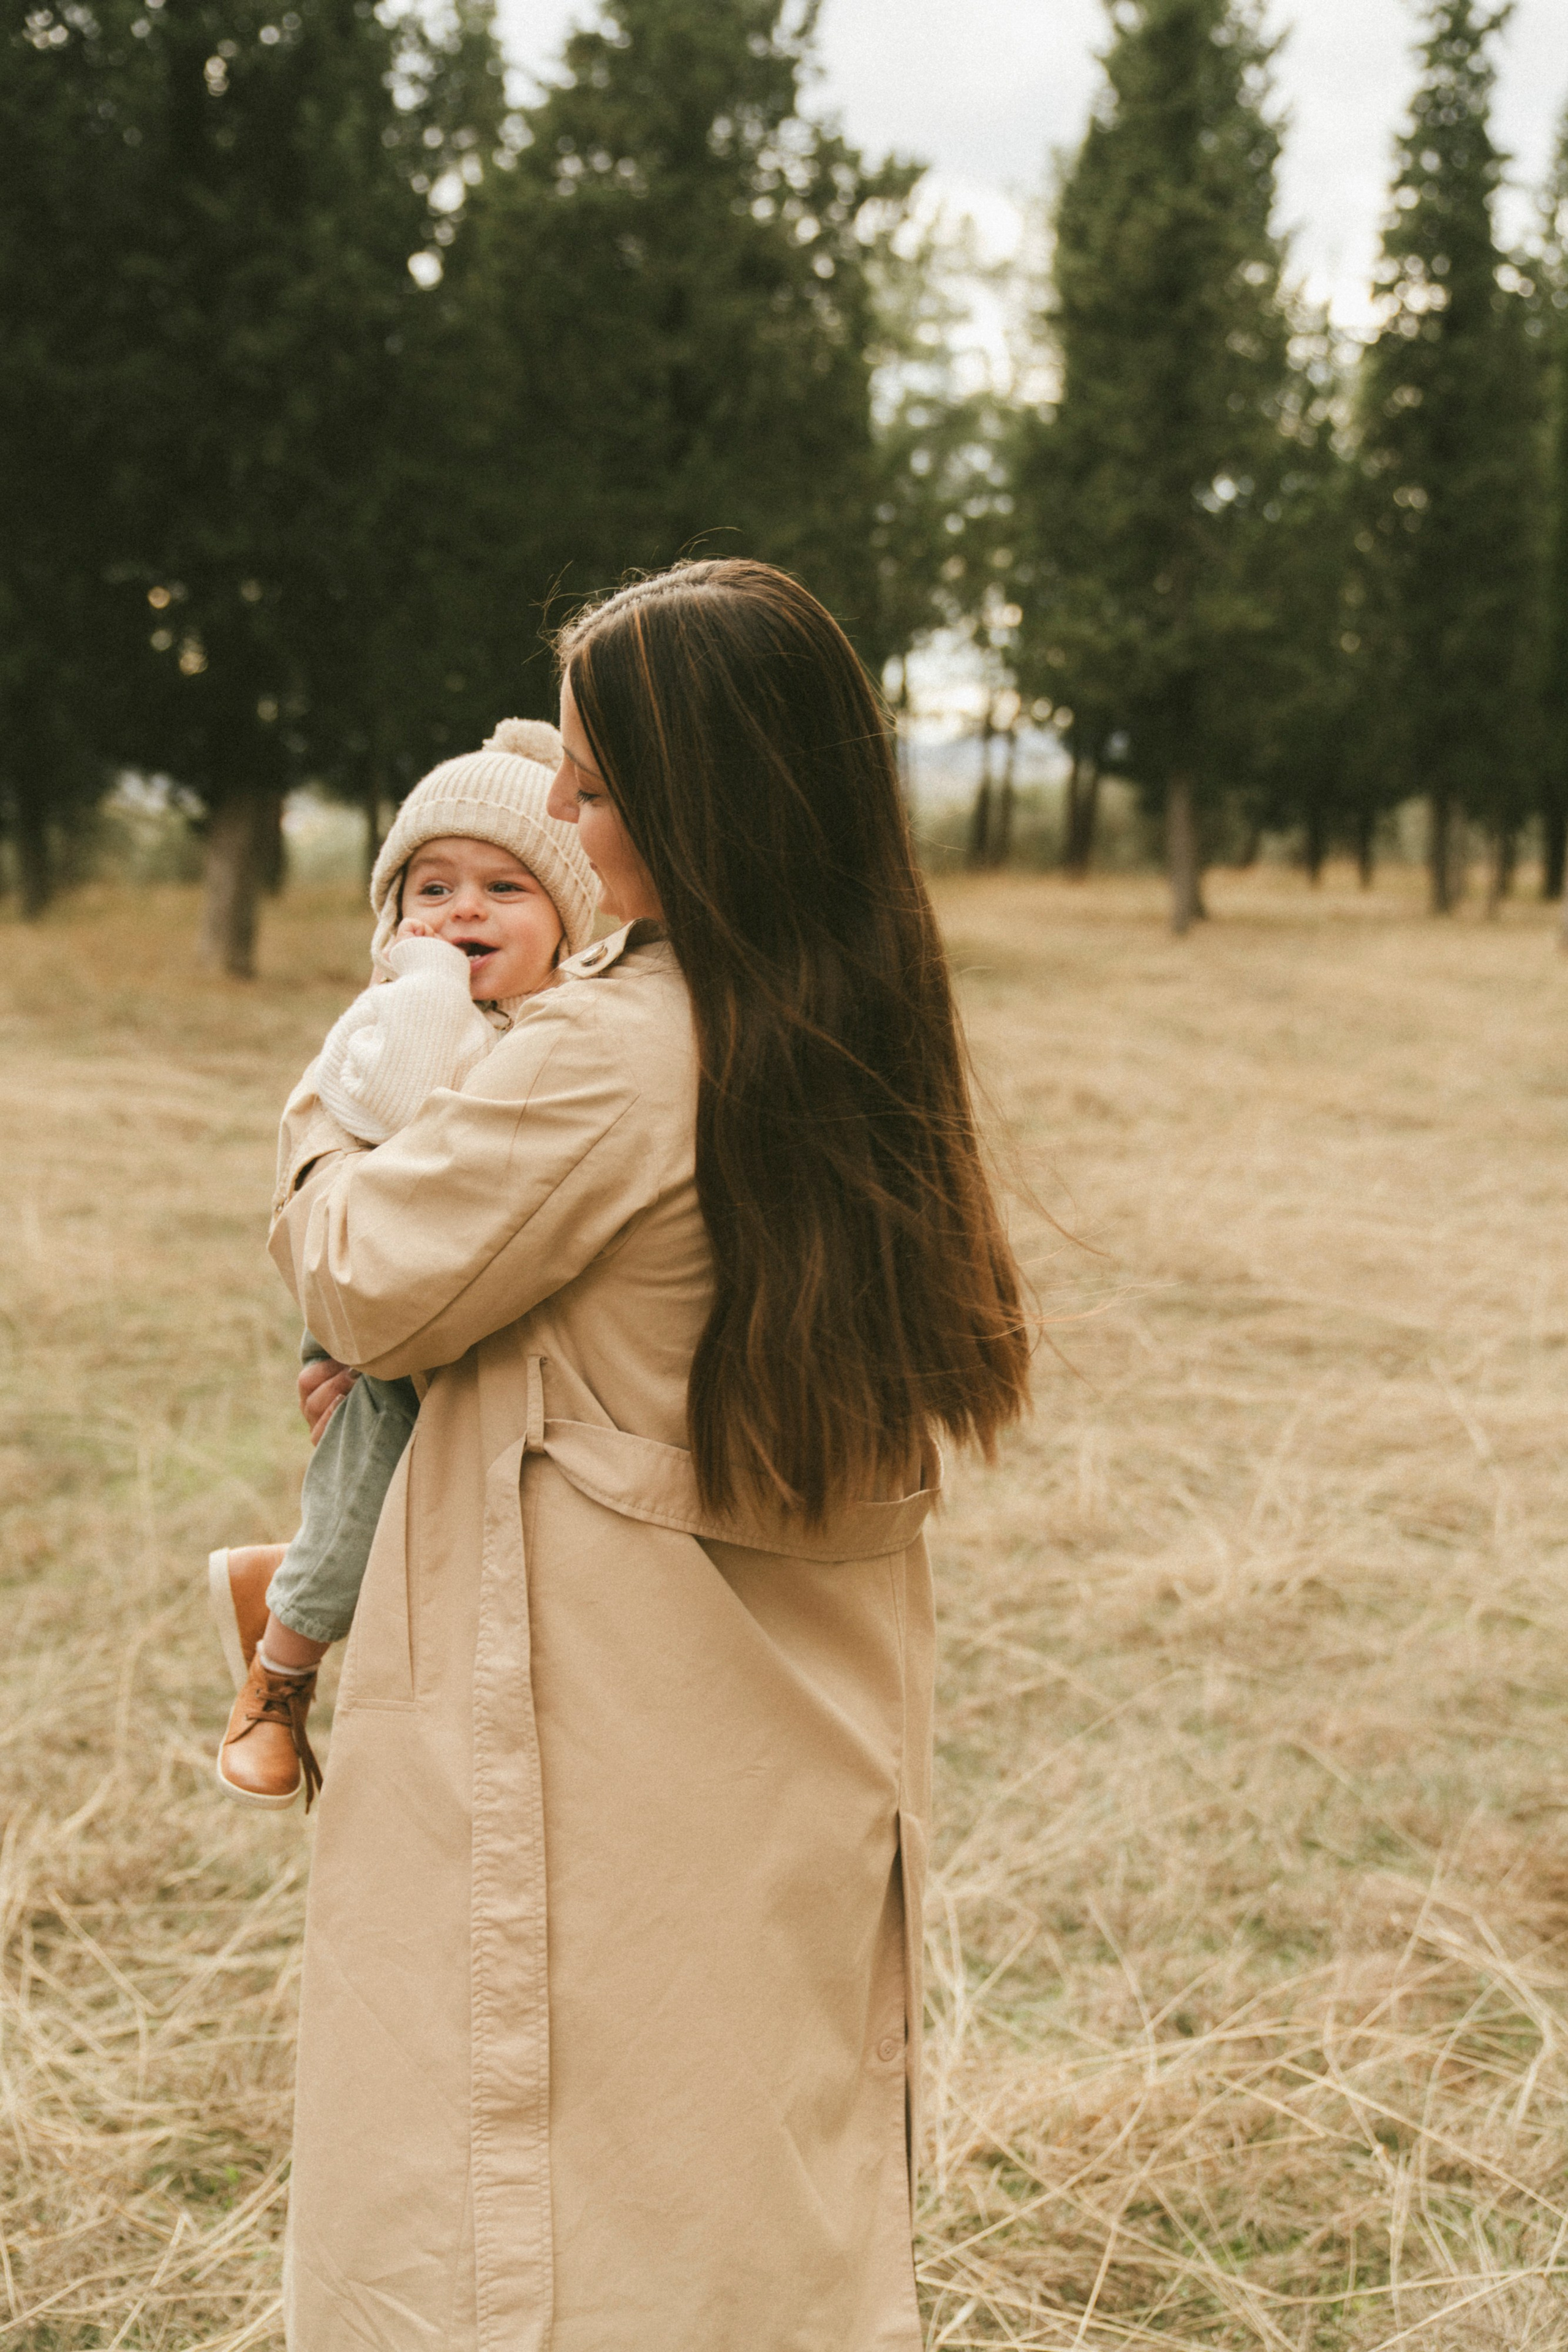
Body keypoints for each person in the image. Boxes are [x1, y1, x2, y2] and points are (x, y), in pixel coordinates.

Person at [266, 559, 1031, 2350]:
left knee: (528, 2204)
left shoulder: (609, 1052)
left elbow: (362, 1274)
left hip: (589, 1728)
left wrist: (344, 1089)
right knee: (738, 2181)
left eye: (596, 784)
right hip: (782, 1731)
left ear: (705, 802)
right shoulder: (851, 1019)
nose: (562, 814)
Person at [208, 720, 594, 1809]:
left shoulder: (583, 1030)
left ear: (569, 922)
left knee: (435, 1498)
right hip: (386, 1287)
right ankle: (282, 1670)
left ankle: (279, 1575)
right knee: (379, 1439)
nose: (463, 911)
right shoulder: (400, 1020)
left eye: (504, 888)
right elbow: (390, 1118)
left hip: (481, 1294)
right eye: (432, 889)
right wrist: (424, 983)